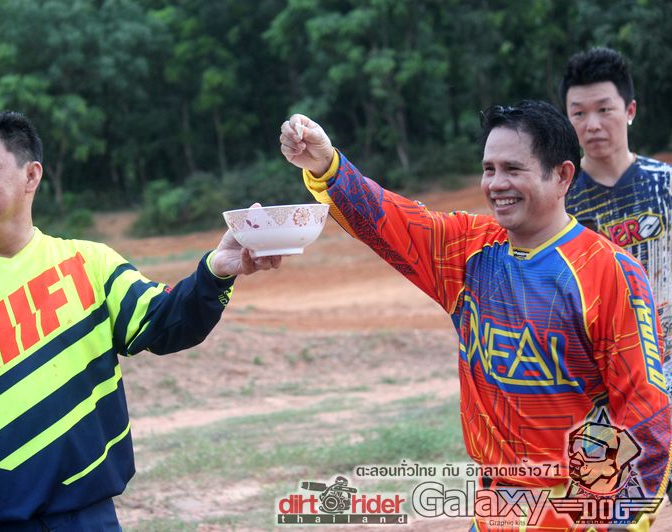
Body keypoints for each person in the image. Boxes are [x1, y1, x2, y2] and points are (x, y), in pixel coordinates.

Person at [0, 111, 282, 531]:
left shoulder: (90, 263)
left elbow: (166, 323)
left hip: (88, 518)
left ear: (31, 175)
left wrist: (216, 270)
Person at [280, 100, 671, 530]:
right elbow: (384, 218)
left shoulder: (610, 273)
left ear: (562, 175)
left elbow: (647, 417)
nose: (496, 184)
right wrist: (326, 166)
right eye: (489, 169)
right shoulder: (468, 251)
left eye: (513, 169)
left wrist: (622, 523)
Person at [560, 46, 672, 407]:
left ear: (630, 111)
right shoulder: (559, 199)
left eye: (604, 109)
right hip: (597, 377)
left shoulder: (666, 184)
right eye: (579, 113)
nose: (592, 124)